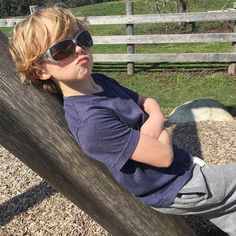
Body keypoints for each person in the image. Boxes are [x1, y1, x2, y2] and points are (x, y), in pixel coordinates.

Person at [9, 6, 236, 235]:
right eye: (61, 49)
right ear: (40, 72)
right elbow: (163, 156)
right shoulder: (91, 122)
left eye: (81, 37)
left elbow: (149, 102)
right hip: (177, 186)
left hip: (182, 170)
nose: (78, 48)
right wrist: (164, 129)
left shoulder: (101, 81)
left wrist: (155, 121)